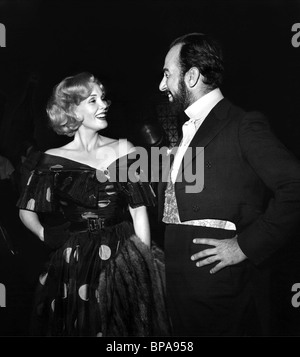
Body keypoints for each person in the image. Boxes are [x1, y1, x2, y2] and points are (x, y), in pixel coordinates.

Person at [157, 32, 300, 336]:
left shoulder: (242, 124)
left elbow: (295, 187)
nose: (161, 85)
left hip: (221, 294)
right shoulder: (188, 129)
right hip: (181, 292)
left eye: (167, 74)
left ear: (192, 76)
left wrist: (244, 247)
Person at [17, 72, 170, 336]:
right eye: (92, 100)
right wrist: (45, 233)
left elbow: (139, 213)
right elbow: (25, 210)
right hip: (75, 259)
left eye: (103, 98)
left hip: (123, 248)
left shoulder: (124, 149)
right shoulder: (51, 159)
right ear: (72, 110)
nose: (104, 104)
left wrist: (140, 266)